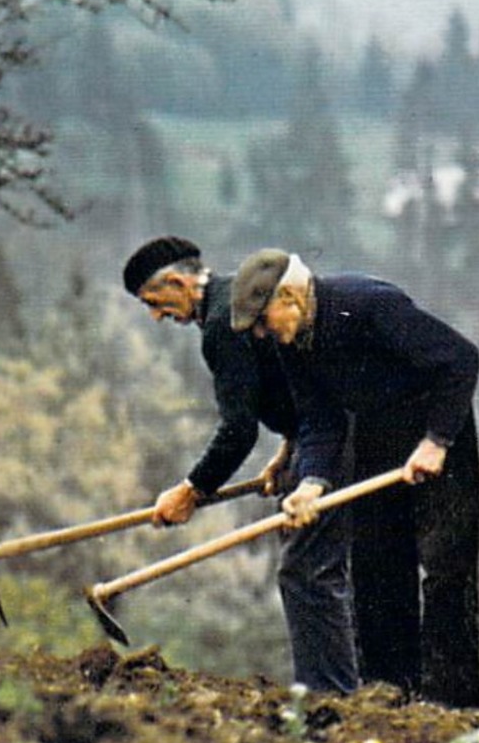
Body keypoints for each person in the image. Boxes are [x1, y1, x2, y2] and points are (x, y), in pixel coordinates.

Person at [231, 248, 479, 707]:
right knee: (378, 569)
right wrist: (312, 483)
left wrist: (437, 441)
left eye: (265, 320)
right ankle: (391, 699)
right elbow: (320, 419)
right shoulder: (292, 344)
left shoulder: (367, 305)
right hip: (374, 439)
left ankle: (456, 707)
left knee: (446, 573)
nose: (265, 334)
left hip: (440, 432)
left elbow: (461, 360)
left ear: (290, 296)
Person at [122, 236, 359, 693]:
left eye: (155, 303)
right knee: (320, 565)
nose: (156, 317)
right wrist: (287, 450)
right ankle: (346, 689)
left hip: (332, 440)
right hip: (324, 433)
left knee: (307, 570)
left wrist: (190, 491)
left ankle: (331, 698)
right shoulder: (236, 294)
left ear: (177, 282)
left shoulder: (220, 326)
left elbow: (238, 431)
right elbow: (293, 382)